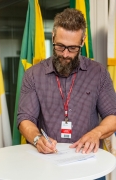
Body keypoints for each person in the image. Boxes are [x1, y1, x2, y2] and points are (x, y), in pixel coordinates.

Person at [17, 8, 116, 157]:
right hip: (47, 161)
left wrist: (97, 133)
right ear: (53, 36)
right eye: (60, 46)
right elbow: (25, 118)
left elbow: (112, 116)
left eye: (72, 48)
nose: (65, 54)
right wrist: (37, 139)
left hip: (88, 160)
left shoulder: (99, 73)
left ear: (82, 42)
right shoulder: (33, 74)